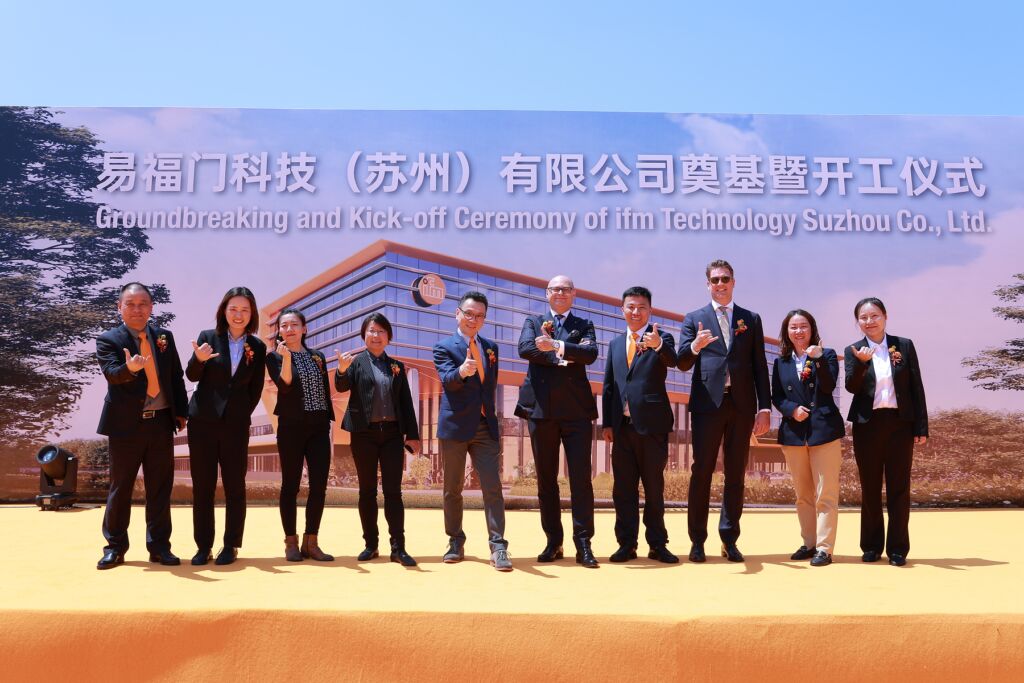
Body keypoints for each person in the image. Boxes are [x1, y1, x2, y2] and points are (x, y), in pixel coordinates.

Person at [677, 259, 771, 563]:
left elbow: (760, 366)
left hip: (742, 406)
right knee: (701, 471)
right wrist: (695, 346)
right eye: (715, 280)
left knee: (735, 473)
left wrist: (764, 408)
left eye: (725, 279)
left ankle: (729, 539)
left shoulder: (750, 319)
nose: (720, 284)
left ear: (733, 282)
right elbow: (682, 361)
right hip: (707, 405)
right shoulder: (694, 318)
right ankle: (697, 541)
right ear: (707, 284)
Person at [95, 282, 188, 570]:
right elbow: (112, 374)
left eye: (143, 304)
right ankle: (115, 547)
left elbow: (175, 376)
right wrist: (130, 368)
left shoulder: (164, 337)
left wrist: (181, 413)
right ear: (119, 307)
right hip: (125, 426)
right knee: (121, 488)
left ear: (151, 307)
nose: (137, 309)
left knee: (159, 488)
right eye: (130, 304)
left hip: (160, 423)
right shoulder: (109, 339)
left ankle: (159, 547)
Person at [515, 275, 600, 568]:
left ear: (574, 293)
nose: (560, 293)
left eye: (565, 289)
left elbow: (590, 354)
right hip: (541, 411)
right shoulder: (533, 321)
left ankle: (584, 543)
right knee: (546, 480)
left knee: (581, 480)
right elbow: (525, 348)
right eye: (555, 289)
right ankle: (554, 541)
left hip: (577, 412)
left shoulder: (584, 324)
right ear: (547, 293)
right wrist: (562, 357)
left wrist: (554, 345)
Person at [185, 287, 267, 566]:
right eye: (233, 309)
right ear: (223, 311)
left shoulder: (257, 347)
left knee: (235, 487)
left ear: (252, 314)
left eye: (245, 309)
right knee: (203, 487)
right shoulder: (208, 338)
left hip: (235, 426)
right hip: (203, 423)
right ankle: (203, 546)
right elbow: (192, 375)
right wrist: (199, 360)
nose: (238, 315)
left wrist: (240, 414)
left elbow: (255, 389)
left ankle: (231, 545)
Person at [845, 297, 928, 567]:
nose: (869, 321)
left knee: (899, 488)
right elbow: (851, 387)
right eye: (863, 318)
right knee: (870, 487)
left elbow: (916, 386)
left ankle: (897, 549)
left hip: (899, 424)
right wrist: (861, 363)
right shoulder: (853, 350)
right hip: (867, 426)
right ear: (858, 322)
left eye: (874, 316)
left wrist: (921, 426)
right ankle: (871, 546)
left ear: (885, 317)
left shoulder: (903, 346)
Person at [334, 313, 421, 567]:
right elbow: (341, 386)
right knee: (367, 491)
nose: (376, 335)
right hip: (364, 434)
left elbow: (406, 403)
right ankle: (371, 545)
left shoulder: (396, 366)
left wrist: (413, 435)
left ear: (388, 337)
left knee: (393, 492)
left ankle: (398, 548)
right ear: (364, 335)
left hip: (392, 434)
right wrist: (341, 370)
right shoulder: (355, 363)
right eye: (372, 331)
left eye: (381, 331)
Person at [433, 291, 512, 572]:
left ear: (484, 319)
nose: (473, 319)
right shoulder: (443, 347)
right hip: (455, 427)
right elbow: (447, 380)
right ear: (457, 313)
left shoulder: (491, 348)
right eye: (469, 313)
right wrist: (462, 372)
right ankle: (455, 542)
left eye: (479, 316)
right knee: (452, 489)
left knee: (492, 487)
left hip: (484, 427)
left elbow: (489, 387)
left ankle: (498, 546)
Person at [601, 286, 679, 564]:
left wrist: (657, 344)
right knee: (623, 490)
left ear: (650, 310)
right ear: (622, 310)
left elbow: (674, 361)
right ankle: (626, 544)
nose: (636, 312)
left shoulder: (661, 338)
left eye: (642, 307)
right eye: (631, 307)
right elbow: (609, 386)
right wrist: (607, 423)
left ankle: (657, 544)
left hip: (652, 427)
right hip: (622, 429)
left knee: (654, 489)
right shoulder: (614, 344)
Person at [771, 309, 845, 567]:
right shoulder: (781, 362)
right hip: (794, 433)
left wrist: (819, 359)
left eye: (803, 326)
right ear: (786, 332)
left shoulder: (827, 355)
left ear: (812, 329)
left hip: (824, 431)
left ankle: (825, 548)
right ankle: (809, 543)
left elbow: (828, 385)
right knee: (803, 494)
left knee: (826, 493)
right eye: (793, 327)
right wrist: (792, 410)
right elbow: (777, 396)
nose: (799, 331)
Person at [266, 308, 335, 562]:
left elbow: (325, 390)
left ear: (304, 329)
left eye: (294, 325)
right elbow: (284, 386)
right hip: (291, 427)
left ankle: (311, 542)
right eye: (284, 326)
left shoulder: (318, 356)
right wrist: (286, 359)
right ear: (279, 331)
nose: (289, 329)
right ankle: (291, 543)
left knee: (319, 486)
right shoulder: (274, 357)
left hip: (319, 428)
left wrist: (327, 420)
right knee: (290, 486)